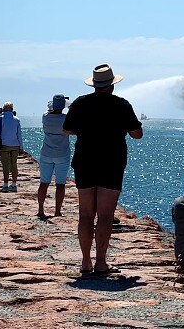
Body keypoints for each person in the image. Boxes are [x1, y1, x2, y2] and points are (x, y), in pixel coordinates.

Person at [63, 64, 143, 275]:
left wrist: (86, 132)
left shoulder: (80, 103)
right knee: (106, 216)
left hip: (85, 162)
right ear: (112, 85)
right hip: (112, 163)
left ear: (95, 84)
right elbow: (137, 134)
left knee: (85, 215)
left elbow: (66, 129)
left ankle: (85, 262)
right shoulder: (121, 105)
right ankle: (101, 262)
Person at [37, 94, 72, 220]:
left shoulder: (45, 117)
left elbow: (49, 109)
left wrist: (59, 103)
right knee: (60, 184)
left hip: (46, 153)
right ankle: (57, 211)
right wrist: (68, 105)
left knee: (44, 183)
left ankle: (41, 210)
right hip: (62, 154)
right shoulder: (66, 119)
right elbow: (74, 119)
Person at [0, 102, 22, 192]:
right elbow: (19, 135)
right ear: (12, 109)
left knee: (5, 165)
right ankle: (14, 184)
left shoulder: (0, 119)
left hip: (4, 145)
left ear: (3, 109)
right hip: (15, 145)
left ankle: (5, 185)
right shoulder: (17, 119)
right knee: (14, 165)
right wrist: (21, 146)